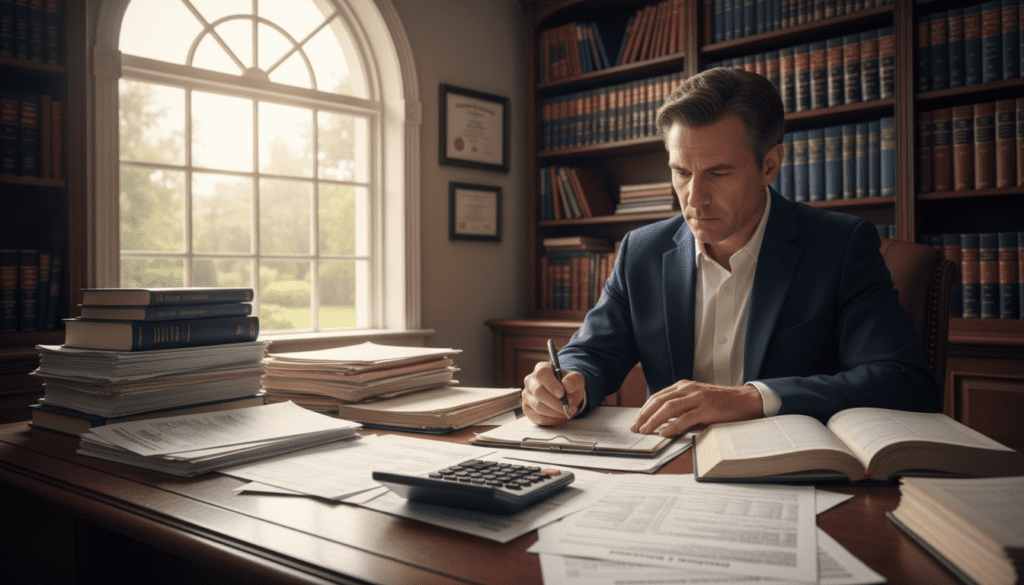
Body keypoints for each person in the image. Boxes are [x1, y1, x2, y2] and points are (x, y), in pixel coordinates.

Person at [522, 66, 939, 437]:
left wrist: (751, 398)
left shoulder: (841, 246)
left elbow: (903, 381)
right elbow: (593, 353)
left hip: (792, 471)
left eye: (718, 173)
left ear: (770, 165)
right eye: (681, 173)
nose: (694, 199)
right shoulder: (642, 251)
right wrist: (566, 384)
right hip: (667, 469)